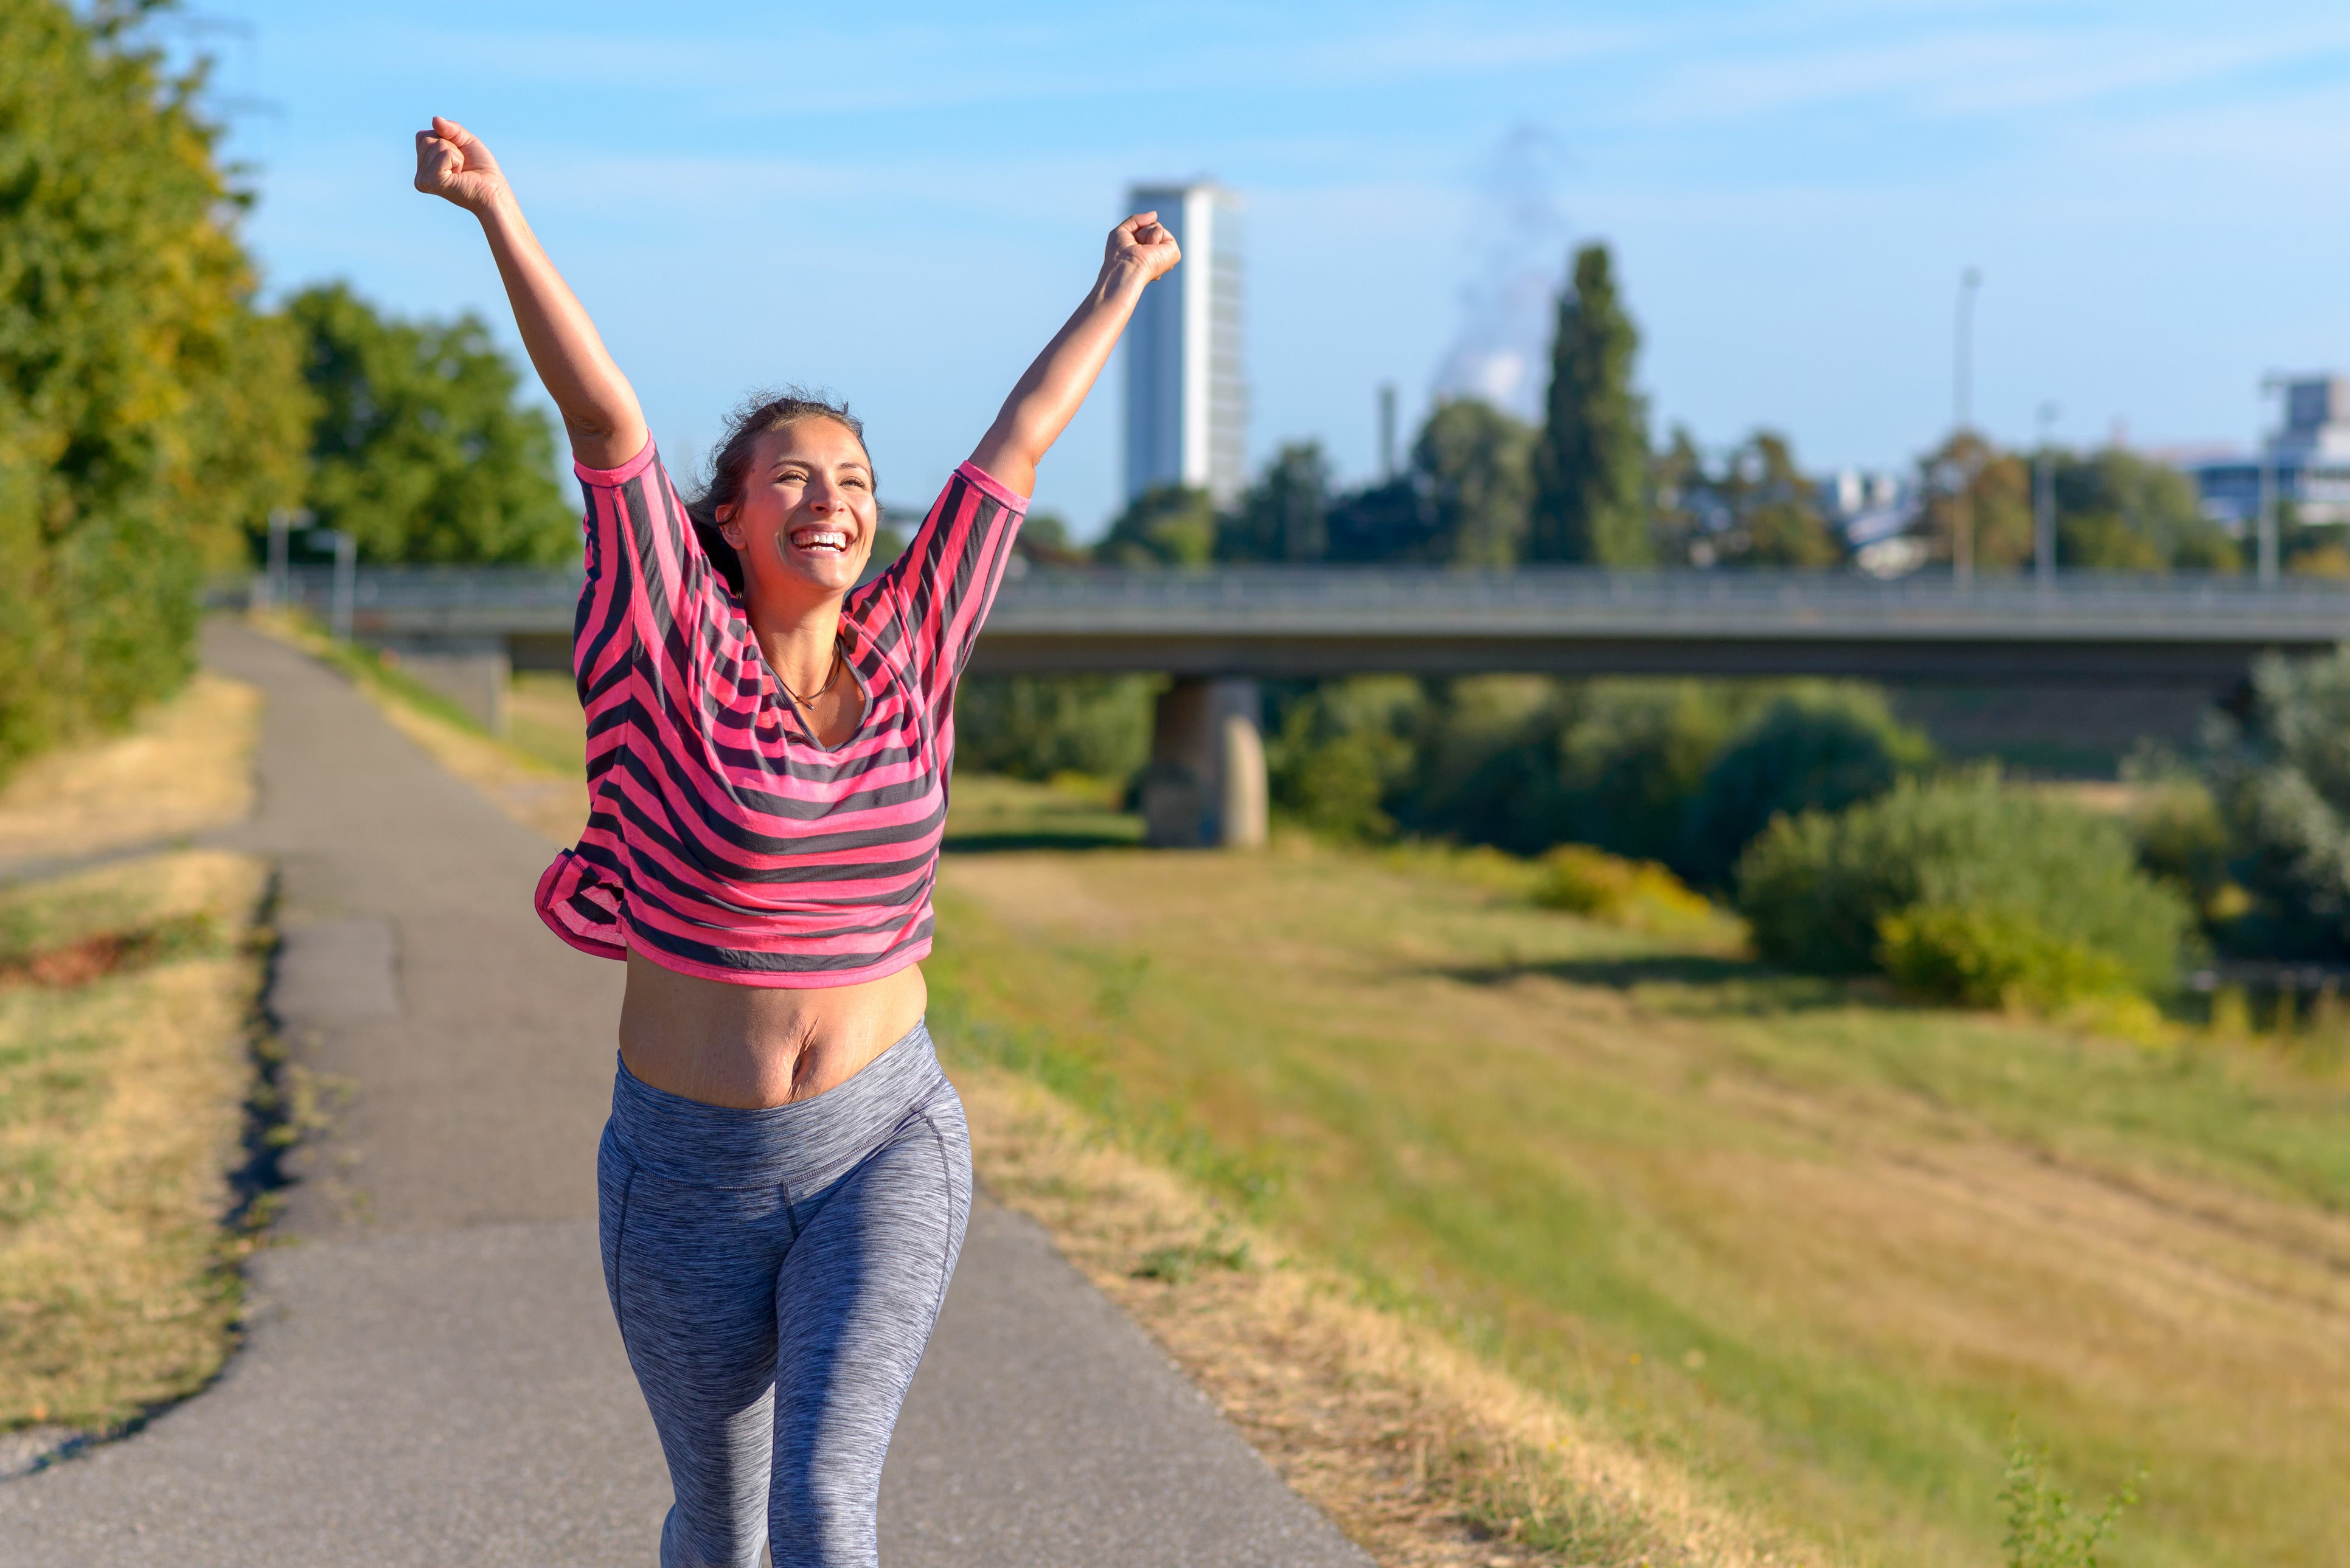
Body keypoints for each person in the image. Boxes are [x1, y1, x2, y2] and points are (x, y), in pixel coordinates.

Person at [412, 115, 1179, 1568]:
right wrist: (497, 211)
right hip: (685, 1165)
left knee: (827, 1506)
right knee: (724, 1522)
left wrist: (1118, 290)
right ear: (729, 516)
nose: (833, 498)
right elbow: (606, 430)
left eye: (853, 482)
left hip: (885, 1134)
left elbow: (1015, 446)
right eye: (794, 476)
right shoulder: (665, 642)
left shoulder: (915, 645)